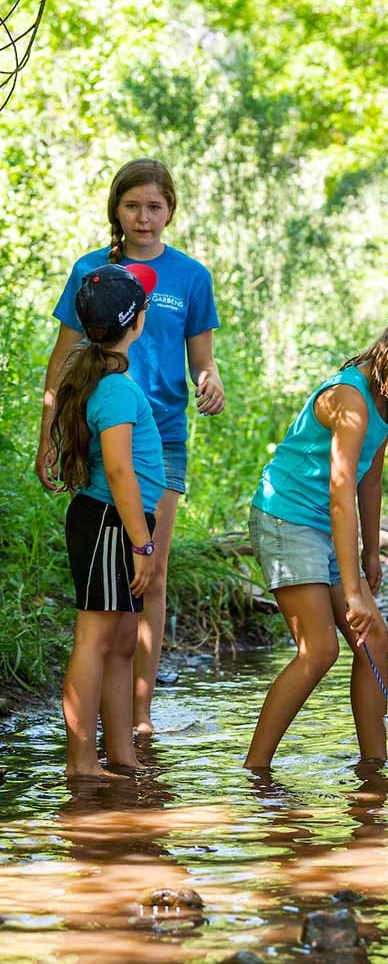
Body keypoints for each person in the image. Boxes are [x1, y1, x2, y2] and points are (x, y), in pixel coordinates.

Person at [35, 159, 225, 734]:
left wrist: (210, 379)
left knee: (151, 570)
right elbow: (63, 355)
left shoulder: (190, 276)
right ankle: (100, 713)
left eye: (155, 206)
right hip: (96, 430)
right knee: (107, 566)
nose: (144, 217)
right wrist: (46, 437)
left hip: (161, 437)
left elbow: (202, 358)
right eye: (132, 206)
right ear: (116, 209)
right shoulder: (91, 270)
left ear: (171, 210)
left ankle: (138, 714)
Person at [244, 295, 388, 768]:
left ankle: (374, 766)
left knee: (375, 641)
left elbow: (369, 471)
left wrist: (369, 553)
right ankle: (256, 769)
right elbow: (340, 490)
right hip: (287, 518)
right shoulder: (351, 396)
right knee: (320, 649)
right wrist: (353, 592)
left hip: (324, 524)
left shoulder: (386, 403)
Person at [50, 263, 166, 776]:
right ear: (136, 320)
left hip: (120, 523)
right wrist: (143, 544)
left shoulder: (106, 374)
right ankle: (81, 761)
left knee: (122, 642)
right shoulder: (115, 388)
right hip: (109, 524)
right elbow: (118, 471)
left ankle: (119, 752)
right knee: (95, 640)